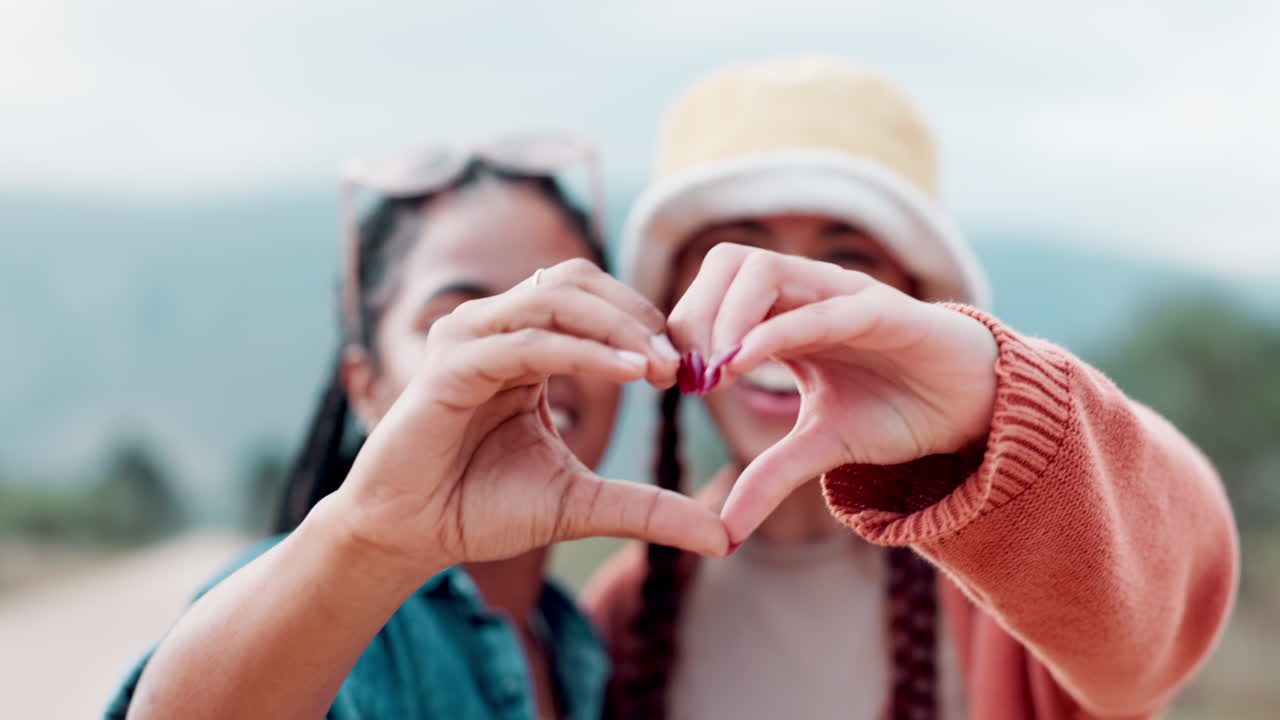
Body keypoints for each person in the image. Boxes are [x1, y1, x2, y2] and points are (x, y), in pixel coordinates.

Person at [583, 57, 1238, 720]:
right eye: (735, 256)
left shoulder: (1010, 587)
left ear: (914, 301)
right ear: (671, 298)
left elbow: (1179, 574)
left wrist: (999, 400)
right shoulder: (620, 621)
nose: (780, 305)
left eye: (848, 258)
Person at [106, 134, 727, 720]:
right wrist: (373, 542)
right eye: (459, 322)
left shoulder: (584, 640)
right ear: (363, 385)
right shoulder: (311, 611)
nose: (525, 358)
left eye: (567, 312)